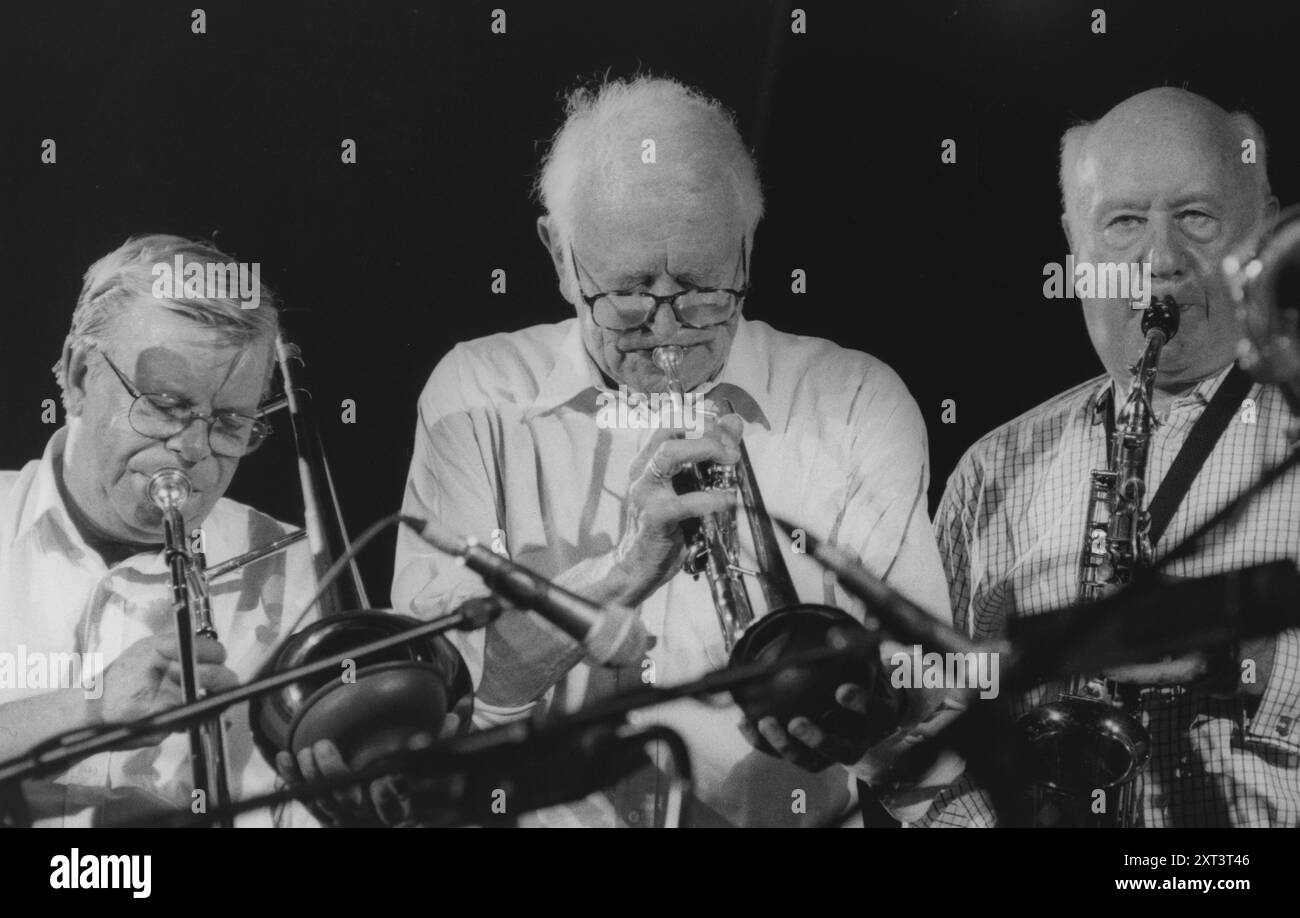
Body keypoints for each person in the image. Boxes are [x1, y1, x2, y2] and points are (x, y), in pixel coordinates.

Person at [392, 75, 962, 827]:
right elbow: (447, 708)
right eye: (627, 295)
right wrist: (623, 573)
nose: (667, 331)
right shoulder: (475, 397)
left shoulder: (853, 399)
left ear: (748, 251)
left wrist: (865, 707)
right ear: (559, 256)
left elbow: (930, 690)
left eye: (702, 290)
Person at [922, 88, 1300, 827]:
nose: (1160, 261)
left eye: (1196, 216)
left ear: (1261, 229)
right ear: (1075, 245)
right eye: (1124, 222)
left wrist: (1241, 658)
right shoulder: (992, 468)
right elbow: (942, 736)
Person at [0, 234, 320, 827]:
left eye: (229, 422)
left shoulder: (296, 566)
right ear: (77, 376)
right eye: (165, 406)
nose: (195, 450)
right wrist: (89, 709)